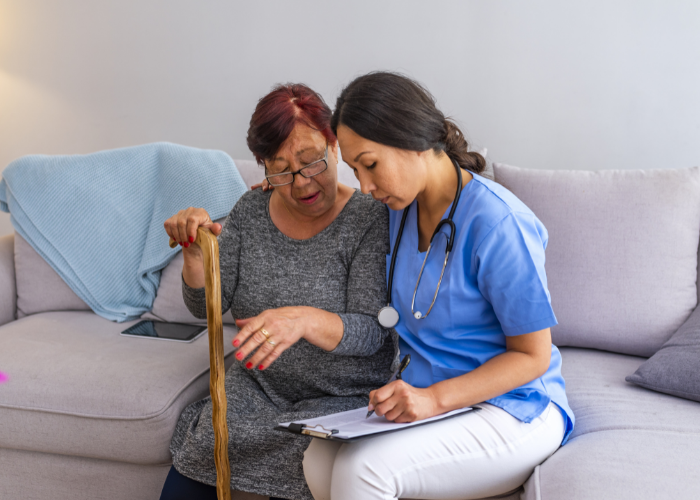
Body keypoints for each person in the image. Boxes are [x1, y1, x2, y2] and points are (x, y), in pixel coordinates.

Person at [302, 72, 575, 500]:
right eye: (355, 170)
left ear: (410, 138)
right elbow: (329, 202)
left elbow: (533, 356)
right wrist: (272, 191)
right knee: (317, 459)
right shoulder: (398, 209)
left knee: (364, 470)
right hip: (431, 404)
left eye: (370, 165)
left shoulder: (499, 223)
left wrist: (433, 400)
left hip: (513, 407)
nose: (366, 187)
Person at [159, 83, 395, 500]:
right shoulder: (251, 211)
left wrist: (303, 320)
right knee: (206, 449)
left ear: (335, 144)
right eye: (281, 169)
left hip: (342, 396)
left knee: (310, 457)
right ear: (262, 166)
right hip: (260, 388)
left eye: (311, 161)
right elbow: (206, 306)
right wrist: (195, 257)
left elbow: (371, 332)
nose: (301, 183)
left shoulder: (368, 219)